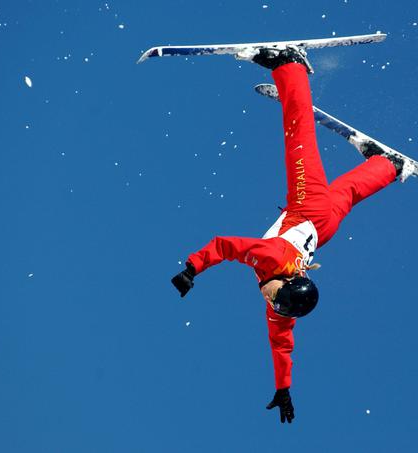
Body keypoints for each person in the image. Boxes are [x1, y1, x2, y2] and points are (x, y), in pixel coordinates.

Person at [171, 46, 406, 423]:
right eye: (276, 294)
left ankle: (389, 166)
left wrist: (284, 388)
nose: (268, 298)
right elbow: (225, 246)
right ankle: (291, 66)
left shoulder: (281, 304)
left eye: (275, 302)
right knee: (298, 134)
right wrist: (192, 269)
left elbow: (282, 344)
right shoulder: (272, 259)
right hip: (307, 206)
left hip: (323, 228)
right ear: (288, 280)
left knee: (347, 193)